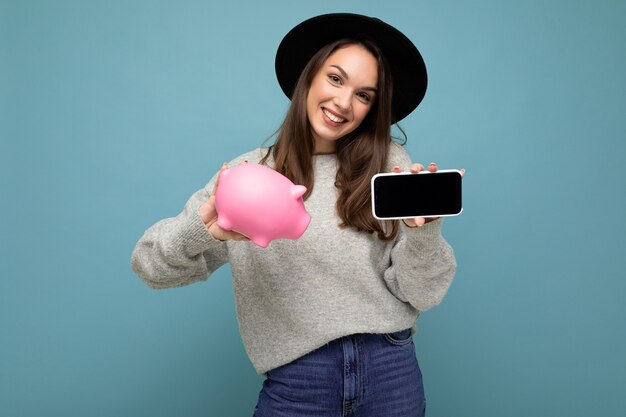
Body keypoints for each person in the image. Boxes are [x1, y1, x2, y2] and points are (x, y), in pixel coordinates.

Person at [132, 13, 460, 417]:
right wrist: (206, 231)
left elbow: (424, 294)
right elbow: (149, 265)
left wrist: (424, 234)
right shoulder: (247, 177)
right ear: (309, 77)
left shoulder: (388, 165)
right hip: (299, 378)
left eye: (364, 95)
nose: (343, 102)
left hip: (390, 370)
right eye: (335, 79)